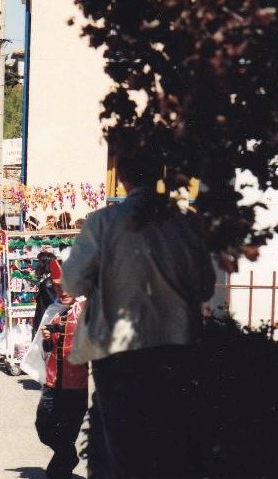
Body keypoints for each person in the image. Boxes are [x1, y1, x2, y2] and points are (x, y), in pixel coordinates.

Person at [62, 154, 215, 479]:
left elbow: (73, 282)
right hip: (176, 345)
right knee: (169, 442)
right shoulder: (185, 223)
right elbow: (205, 287)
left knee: (122, 443)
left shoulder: (103, 222)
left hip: (119, 349)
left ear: (120, 176)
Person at [36, 300, 88, 479]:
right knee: (43, 428)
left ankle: (61, 468)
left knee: (68, 434)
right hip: (52, 383)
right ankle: (69, 457)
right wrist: (47, 339)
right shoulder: (54, 311)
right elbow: (46, 350)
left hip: (77, 386)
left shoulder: (88, 309)